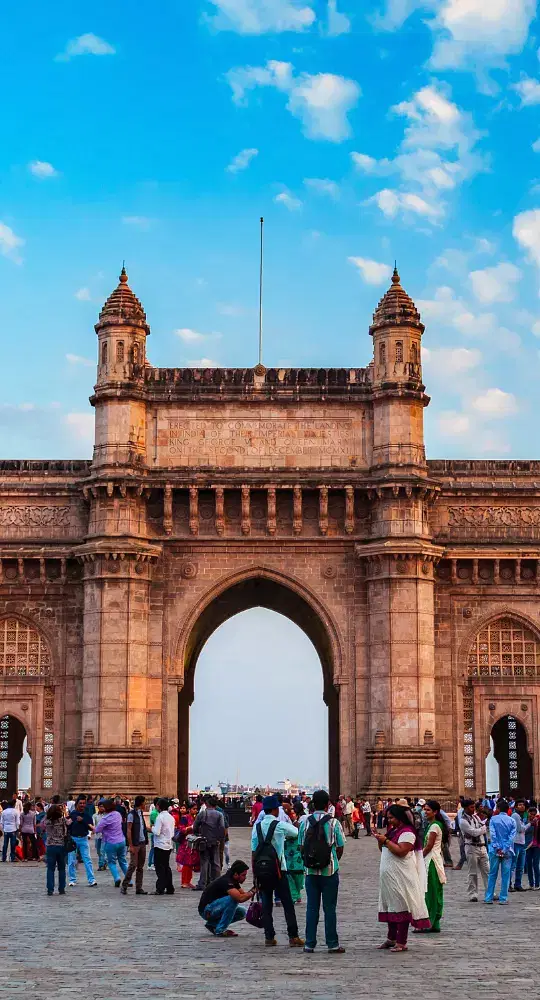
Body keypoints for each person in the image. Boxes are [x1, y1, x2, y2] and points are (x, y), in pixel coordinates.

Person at [375, 804, 430, 953]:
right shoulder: (394, 830)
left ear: (400, 817)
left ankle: (401, 941)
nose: (389, 820)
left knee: (401, 907)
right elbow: (385, 849)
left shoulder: (408, 832)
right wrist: (381, 841)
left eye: (391, 817)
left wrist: (385, 841)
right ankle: (391, 938)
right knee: (392, 906)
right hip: (390, 876)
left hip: (401, 876)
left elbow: (401, 851)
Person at [251, 794, 304, 948]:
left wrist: (255, 872)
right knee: (288, 904)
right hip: (279, 869)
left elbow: (254, 850)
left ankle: (269, 937)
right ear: (275, 809)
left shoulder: (257, 827)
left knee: (267, 904)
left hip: (262, 869)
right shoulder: (279, 825)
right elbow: (296, 832)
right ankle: (293, 936)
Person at [297, 788, 346, 955]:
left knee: (311, 908)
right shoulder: (334, 823)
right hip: (329, 871)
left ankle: (309, 944)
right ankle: (332, 944)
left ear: (312, 805)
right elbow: (340, 847)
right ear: (327, 805)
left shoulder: (304, 822)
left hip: (310, 872)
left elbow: (301, 846)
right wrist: (332, 860)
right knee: (329, 908)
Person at [198, 860, 256, 937]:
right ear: (236, 874)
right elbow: (240, 898)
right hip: (206, 910)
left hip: (214, 907)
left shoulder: (233, 880)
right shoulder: (227, 881)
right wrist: (253, 891)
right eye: (243, 875)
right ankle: (220, 930)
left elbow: (244, 895)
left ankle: (213, 925)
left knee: (241, 912)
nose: (245, 878)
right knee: (233, 899)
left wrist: (255, 888)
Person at [421, 800, 447, 933]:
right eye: (424, 809)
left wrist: (418, 858)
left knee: (431, 893)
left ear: (435, 812)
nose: (425, 812)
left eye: (428, 810)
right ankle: (433, 922)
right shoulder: (433, 825)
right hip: (432, 860)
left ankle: (430, 922)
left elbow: (429, 846)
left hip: (432, 861)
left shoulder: (434, 827)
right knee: (433, 891)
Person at [484, 798, 516, 905]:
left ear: (498, 808)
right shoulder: (512, 821)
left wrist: (497, 847)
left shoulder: (493, 819)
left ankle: (488, 897)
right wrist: (505, 848)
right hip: (507, 851)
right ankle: (503, 898)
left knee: (492, 874)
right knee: (505, 876)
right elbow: (512, 837)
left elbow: (493, 835)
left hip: (494, 850)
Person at [459, 798, 490, 902]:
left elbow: (482, 828)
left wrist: (480, 830)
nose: (473, 809)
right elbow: (474, 832)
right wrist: (481, 830)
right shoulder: (463, 821)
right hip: (471, 847)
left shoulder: (475, 817)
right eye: (471, 807)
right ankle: (473, 893)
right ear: (466, 808)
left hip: (481, 846)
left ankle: (489, 891)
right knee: (472, 872)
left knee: (487, 871)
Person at [193, 795, 225, 891]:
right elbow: (222, 828)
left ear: (207, 804)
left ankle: (202, 883)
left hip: (204, 840)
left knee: (204, 862)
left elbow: (195, 826)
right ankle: (216, 882)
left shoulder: (202, 814)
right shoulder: (219, 815)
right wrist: (219, 839)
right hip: (215, 841)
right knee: (216, 863)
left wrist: (197, 833)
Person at [95, 797, 128, 887]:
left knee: (111, 862)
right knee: (123, 861)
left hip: (110, 842)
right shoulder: (118, 814)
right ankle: (129, 880)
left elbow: (97, 829)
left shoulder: (105, 819)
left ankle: (117, 878)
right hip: (121, 840)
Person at [67, 795, 97, 887]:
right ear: (77, 804)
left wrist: (83, 821)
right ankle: (72, 879)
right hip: (73, 839)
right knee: (71, 860)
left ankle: (91, 879)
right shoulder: (73, 814)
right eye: (80, 803)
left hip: (83, 839)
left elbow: (92, 829)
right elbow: (68, 825)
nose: (82, 805)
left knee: (87, 860)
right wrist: (68, 823)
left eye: (84, 803)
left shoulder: (87, 816)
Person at [121, 794, 148, 895]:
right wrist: (131, 845)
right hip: (135, 843)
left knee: (140, 867)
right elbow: (128, 830)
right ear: (141, 803)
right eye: (144, 802)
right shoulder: (131, 815)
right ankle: (124, 885)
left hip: (142, 842)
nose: (145, 804)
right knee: (133, 865)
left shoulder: (141, 813)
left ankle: (139, 887)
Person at [152, 796, 176, 895]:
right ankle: (170, 887)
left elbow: (157, 832)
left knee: (159, 867)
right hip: (168, 844)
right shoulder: (171, 817)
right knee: (166, 867)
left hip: (160, 844)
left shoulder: (160, 817)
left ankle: (160, 888)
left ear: (159, 806)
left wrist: (151, 828)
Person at [44, 803, 67, 896]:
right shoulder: (62, 821)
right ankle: (61, 888)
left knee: (50, 869)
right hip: (61, 845)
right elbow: (66, 831)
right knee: (62, 869)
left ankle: (50, 889)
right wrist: (64, 812)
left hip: (50, 846)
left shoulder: (47, 821)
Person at [283, 808, 305, 905]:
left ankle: (297, 894)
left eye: (293, 813)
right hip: (288, 852)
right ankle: (294, 895)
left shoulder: (300, 824)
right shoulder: (285, 824)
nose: (292, 815)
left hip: (298, 853)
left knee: (299, 876)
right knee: (289, 875)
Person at [509, 799, 528, 893]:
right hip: (516, 842)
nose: (522, 806)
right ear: (516, 807)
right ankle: (509, 884)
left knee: (520, 866)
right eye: (519, 805)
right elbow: (520, 829)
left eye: (523, 805)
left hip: (522, 842)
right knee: (513, 865)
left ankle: (518, 884)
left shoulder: (521, 816)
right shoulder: (515, 815)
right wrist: (529, 824)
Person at [525, 803, 540, 890]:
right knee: (529, 865)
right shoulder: (525, 821)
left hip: (537, 845)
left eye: (534, 814)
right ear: (528, 813)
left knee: (535, 864)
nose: (532, 815)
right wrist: (530, 823)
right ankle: (531, 884)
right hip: (527, 846)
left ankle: (537, 884)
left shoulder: (538, 821)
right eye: (531, 814)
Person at [148, 796, 159, 870]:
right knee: (153, 848)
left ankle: (154, 862)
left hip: (156, 833)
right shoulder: (154, 813)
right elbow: (154, 824)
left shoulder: (157, 812)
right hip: (153, 833)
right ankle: (150, 863)